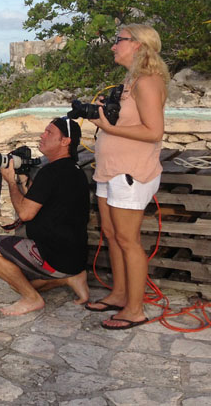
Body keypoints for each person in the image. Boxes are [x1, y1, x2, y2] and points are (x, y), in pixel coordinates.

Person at [85, 24, 169, 330]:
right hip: (110, 169)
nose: (113, 46)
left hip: (130, 171)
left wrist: (109, 128)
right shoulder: (131, 79)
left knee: (128, 240)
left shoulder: (148, 81)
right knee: (110, 233)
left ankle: (135, 309)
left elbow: (153, 131)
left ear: (137, 45)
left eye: (118, 40)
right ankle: (120, 294)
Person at [0, 117, 91, 316]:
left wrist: (11, 182)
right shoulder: (74, 171)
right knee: (19, 281)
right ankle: (69, 278)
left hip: (52, 256)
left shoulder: (50, 173)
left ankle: (31, 299)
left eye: (49, 133)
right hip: (75, 257)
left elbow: (25, 213)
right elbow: (37, 198)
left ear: (65, 141)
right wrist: (22, 178)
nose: (42, 135)